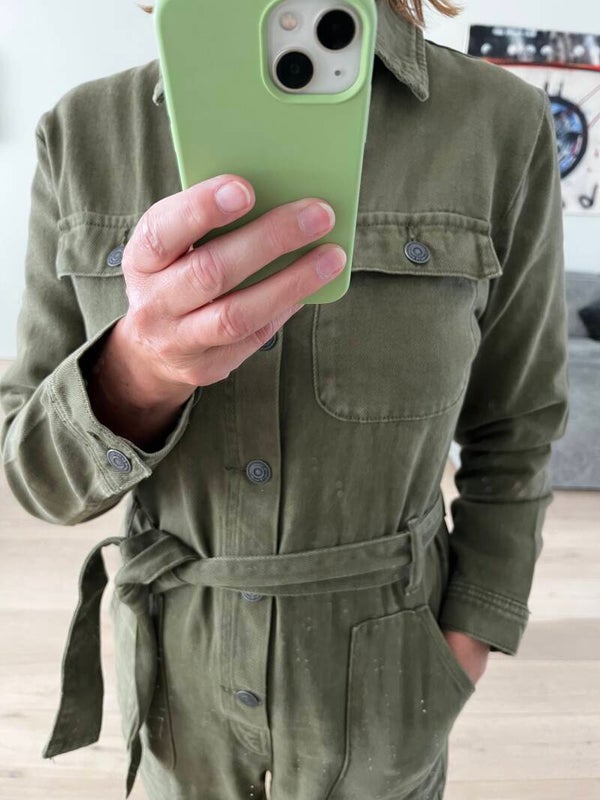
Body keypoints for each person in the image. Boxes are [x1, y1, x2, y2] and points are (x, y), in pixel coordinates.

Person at [0, 0, 569, 798]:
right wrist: (137, 370)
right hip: (177, 692)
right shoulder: (83, 133)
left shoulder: (496, 123)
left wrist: (470, 634)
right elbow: (38, 479)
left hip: (387, 678)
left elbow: (518, 421)